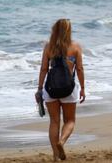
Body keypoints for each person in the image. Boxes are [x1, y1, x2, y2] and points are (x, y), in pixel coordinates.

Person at [35, 19, 86, 161]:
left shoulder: (48, 47)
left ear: (55, 30)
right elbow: (80, 69)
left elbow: (44, 69)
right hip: (68, 90)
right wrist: (82, 88)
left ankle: (55, 156)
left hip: (51, 89)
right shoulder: (75, 47)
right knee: (70, 120)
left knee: (54, 121)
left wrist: (39, 89)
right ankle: (62, 141)